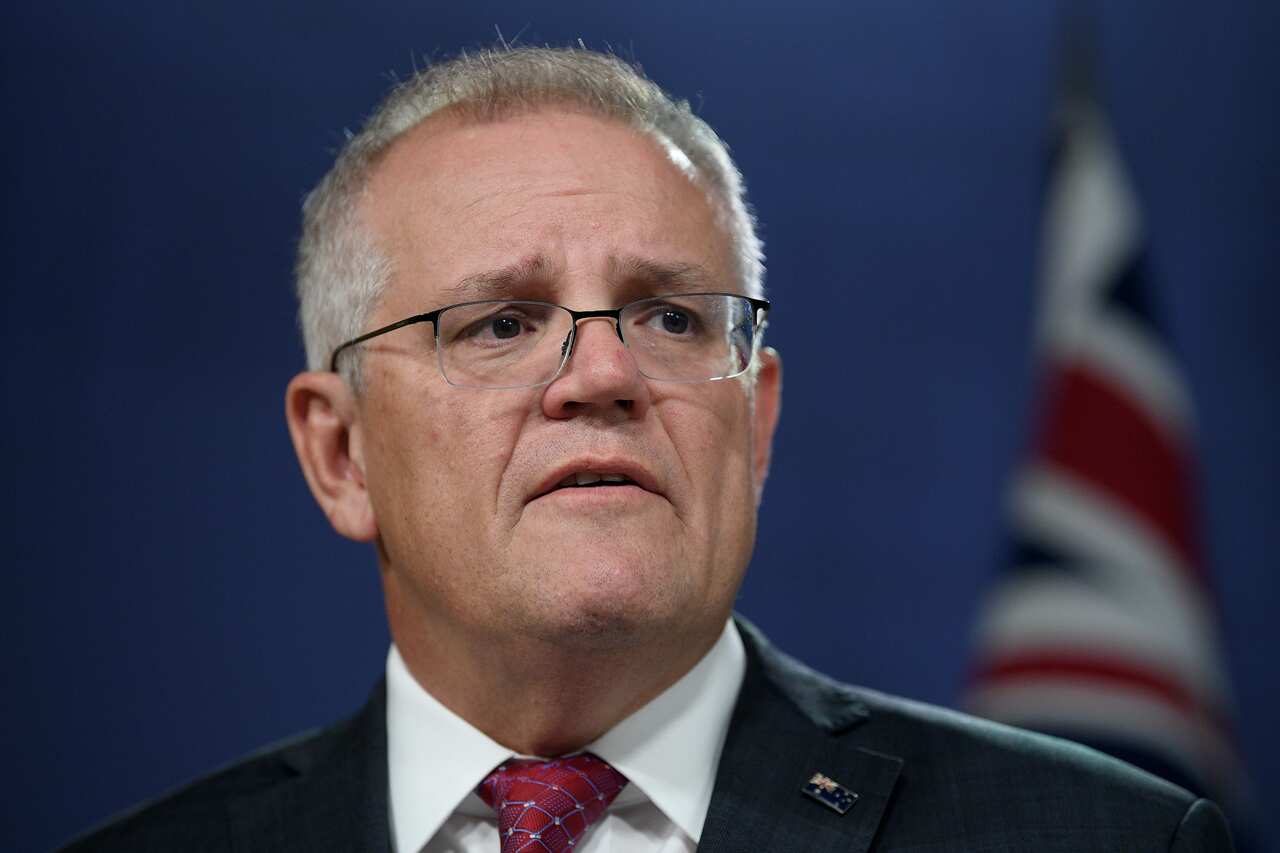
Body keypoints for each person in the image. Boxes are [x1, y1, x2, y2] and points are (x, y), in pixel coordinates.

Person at [64, 46, 1233, 852]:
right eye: (500, 323)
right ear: (341, 451)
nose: (606, 375)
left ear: (755, 417)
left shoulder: (1106, 839)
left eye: (672, 318)